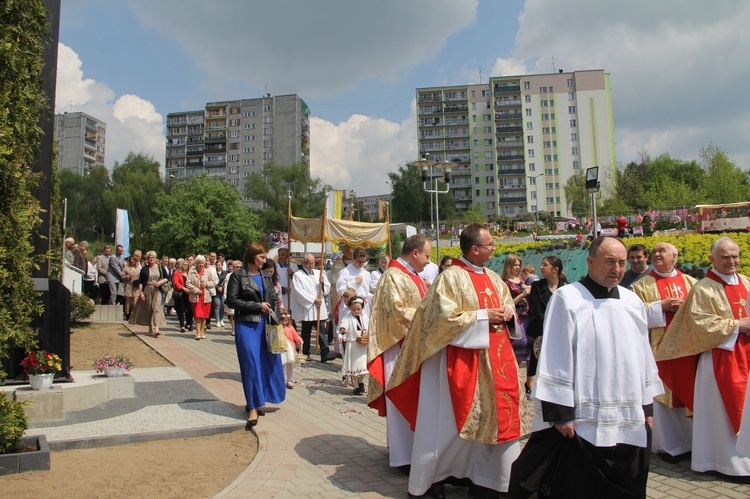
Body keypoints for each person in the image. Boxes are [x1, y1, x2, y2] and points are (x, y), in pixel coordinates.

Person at [509, 236, 663, 498]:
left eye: (622, 263)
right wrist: (560, 412)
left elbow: (643, 355)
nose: (617, 269)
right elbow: (555, 352)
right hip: (581, 415)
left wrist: (646, 407)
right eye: (609, 262)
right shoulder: (568, 298)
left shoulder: (632, 301)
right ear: (590, 262)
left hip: (626, 410)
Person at [387, 223, 521, 498]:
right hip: (460, 364)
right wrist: (485, 316)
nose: (494, 248)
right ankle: (433, 479)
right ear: (475, 249)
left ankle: (488, 479)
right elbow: (440, 320)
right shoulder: (450, 278)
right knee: (447, 427)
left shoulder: (495, 278)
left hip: (497, 365)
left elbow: (507, 304)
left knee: (495, 423)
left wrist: (508, 313)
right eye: (490, 245)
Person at [654, 237, 750, 476]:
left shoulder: (747, 282)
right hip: (719, 357)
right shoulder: (703, 287)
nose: (731, 261)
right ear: (712, 259)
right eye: (725, 257)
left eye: (735, 256)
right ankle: (724, 463)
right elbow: (698, 323)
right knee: (721, 414)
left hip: (746, 354)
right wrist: (737, 324)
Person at [367, 234, 430, 471]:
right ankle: (404, 457)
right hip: (398, 346)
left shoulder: (412, 275)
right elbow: (395, 311)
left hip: (413, 346)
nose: (428, 261)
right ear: (415, 253)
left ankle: (405, 450)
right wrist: (430, 316)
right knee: (401, 396)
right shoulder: (393, 276)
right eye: (426, 255)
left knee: (413, 398)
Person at [632, 242, 697, 463]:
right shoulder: (642, 285)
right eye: (655, 252)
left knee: (688, 394)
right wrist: (662, 306)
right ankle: (668, 447)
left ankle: (691, 443)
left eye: (662, 251)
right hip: (659, 350)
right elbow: (634, 315)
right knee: (662, 397)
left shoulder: (690, 282)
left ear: (675, 256)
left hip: (688, 350)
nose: (657, 254)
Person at [225, 242, 286, 430]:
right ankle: (252, 407)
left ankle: (257, 400)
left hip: (265, 325)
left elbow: (273, 299)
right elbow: (231, 300)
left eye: (265, 257)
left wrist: (277, 318)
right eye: (261, 257)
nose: (265, 260)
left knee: (267, 363)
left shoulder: (266, 276)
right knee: (250, 364)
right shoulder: (238, 276)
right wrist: (257, 306)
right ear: (252, 256)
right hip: (246, 325)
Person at [525, 256, 567, 396]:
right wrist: (549, 324)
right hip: (540, 328)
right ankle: (530, 383)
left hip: (561, 328)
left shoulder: (566, 286)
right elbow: (535, 310)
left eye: (545, 265)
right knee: (536, 356)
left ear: (555, 269)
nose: (541, 267)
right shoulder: (538, 286)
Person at [292, 253, 334, 363]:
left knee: (321, 330)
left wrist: (323, 283)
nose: (312, 266)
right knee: (306, 331)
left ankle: (325, 353)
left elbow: (327, 288)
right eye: (309, 263)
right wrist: (313, 299)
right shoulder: (298, 275)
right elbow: (299, 291)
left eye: (313, 263)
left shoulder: (319, 273)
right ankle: (305, 353)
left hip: (319, 307)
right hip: (308, 307)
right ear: (304, 263)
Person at [129, 251, 169, 338]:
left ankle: (156, 329)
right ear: (147, 258)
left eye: (153, 257)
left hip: (157, 290)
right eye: (150, 257)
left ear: (156, 258)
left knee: (156, 308)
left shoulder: (160, 268)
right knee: (149, 309)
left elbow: (167, 278)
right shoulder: (144, 269)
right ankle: (151, 328)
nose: (151, 259)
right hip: (147, 289)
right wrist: (141, 293)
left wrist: (160, 282)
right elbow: (141, 282)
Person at [502, 254, 532, 364]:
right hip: (516, 318)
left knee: (529, 352)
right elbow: (508, 304)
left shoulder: (522, 280)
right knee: (517, 350)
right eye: (515, 265)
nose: (517, 267)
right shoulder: (505, 283)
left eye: (519, 265)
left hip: (527, 316)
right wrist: (522, 295)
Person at [339, 296, 369, 396]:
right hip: (354, 344)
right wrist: (343, 329)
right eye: (354, 309)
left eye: (358, 309)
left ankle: (361, 381)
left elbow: (369, 326)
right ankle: (356, 385)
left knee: (364, 366)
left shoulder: (365, 317)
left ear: (362, 308)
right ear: (350, 308)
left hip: (364, 345)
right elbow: (344, 324)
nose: (356, 311)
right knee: (355, 365)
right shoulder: (348, 317)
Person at [185, 255, 215, 340]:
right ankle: (197, 332)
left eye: (202, 263)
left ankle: (202, 332)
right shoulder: (191, 271)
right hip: (196, 296)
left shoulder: (208, 271)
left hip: (206, 296)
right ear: (196, 263)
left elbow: (214, 281)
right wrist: (196, 290)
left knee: (204, 315)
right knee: (197, 315)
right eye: (199, 263)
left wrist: (207, 284)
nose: (201, 265)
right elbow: (188, 283)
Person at [336, 247, 373, 315]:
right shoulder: (345, 272)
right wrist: (354, 283)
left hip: (363, 307)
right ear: (353, 259)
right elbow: (340, 290)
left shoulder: (366, 274)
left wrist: (372, 297)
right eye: (358, 261)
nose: (361, 264)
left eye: (363, 262)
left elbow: (366, 292)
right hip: (349, 307)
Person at [279, 310, 303, 389]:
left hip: (289, 348)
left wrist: (299, 340)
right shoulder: (278, 328)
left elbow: (295, 335)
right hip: (281, 348)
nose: (284, 323)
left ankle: (289, 380)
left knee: (289, 364)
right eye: (282, 321)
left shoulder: (290, 328)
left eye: (285, 321)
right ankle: (281, 380)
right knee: (281, 364)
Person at [172, 258, 192, 333]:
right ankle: (182, 326)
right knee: (180, 310)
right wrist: (183, 288)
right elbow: (176, 283)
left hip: (189, 293)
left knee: (189, 310)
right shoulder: (177, 273)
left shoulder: (190, 273)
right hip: (181, 293)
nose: (186, 266)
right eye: (184, 264)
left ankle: (188, 324)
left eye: (187, 265)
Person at [276, 247, 298, 312]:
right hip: (281, 294)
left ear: (287, 256)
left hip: (291, 295)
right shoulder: (275, 267)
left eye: (282, 255)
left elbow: (298, 280)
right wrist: (283, 289)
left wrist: (292, 274)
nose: (280, 257)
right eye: (279, 255)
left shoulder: (293, 266)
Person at [224, 260, 241, 336]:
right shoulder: (229, 275)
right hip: (231, 297)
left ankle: (238, 328)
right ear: (233, 268)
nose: (239, 268)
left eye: (240, 267)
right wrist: (226, 296)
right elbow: (226, 287)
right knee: (232, 314)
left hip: (240, 298)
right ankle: (233, 328)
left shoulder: (244, 275)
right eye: (237, 267)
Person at [122, 255, 140, 321]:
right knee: (128, 300)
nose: (133, 261)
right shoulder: (126, 267)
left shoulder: (138, 268)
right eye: (131, 260)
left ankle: (136, 314)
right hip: (128, 285)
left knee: (136, 299)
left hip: (135, 286)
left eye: (134, 260)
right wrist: (128, 276)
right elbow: (122, 276)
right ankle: (127, 313)